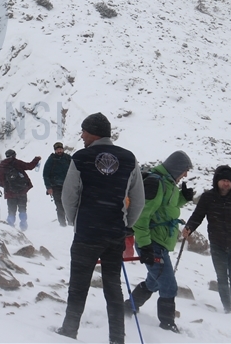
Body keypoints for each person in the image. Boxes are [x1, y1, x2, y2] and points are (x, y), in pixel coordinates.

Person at [57, 113, 144, 344]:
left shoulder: (82, 157)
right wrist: (127, 225)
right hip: (114, 234)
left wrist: (77, 220)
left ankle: (68, 332)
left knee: (78, 286)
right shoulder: (128, 158)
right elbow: (138, 199)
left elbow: (69, 196)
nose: (82, 136)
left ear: (93, 132)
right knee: (113, 288)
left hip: (87, 232)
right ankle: (117, 338)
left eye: (84, 131)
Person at [128, 150, 195, 333]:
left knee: (154, 282)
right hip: (152, 243)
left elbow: (165, 209)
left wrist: (183, 198)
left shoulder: (168, 184)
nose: (186, 175)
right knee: (168, 285)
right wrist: (145, 245)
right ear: (176, 168)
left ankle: (128, 307)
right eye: (184, 170)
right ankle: (166, 326)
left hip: (159, 243)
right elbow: (142, 217)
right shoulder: (156, 183)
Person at [183, 165, 231, 313]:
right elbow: (198, 215)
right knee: (221, 276)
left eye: (229, 181)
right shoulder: (208, 197)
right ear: (217, 181)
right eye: (223, 180)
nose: (226, 184)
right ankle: (227, 308)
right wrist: (189, 228)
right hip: (217, 242)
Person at [0, 149, 41, 230]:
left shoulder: (2, 166)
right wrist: (36, 159)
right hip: (22, 191)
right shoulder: (17, 163)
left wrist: (7, 186)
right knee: (22, 209)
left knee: (11, 211)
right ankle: (23, 226)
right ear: (14, 155)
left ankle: (11, 227)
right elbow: (29, 166)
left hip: (10, 193)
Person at [43, 142, 72, 226]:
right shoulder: (51, 160)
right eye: (57, 149)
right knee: (60, 206)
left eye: (60, 149)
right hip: (56, 187)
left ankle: (70, 223)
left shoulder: (68, 158)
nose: (59, 151)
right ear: (55, 150)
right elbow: (45, 174)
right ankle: (62, 224)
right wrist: (48, 187)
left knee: (69, 205)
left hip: (68, 186)